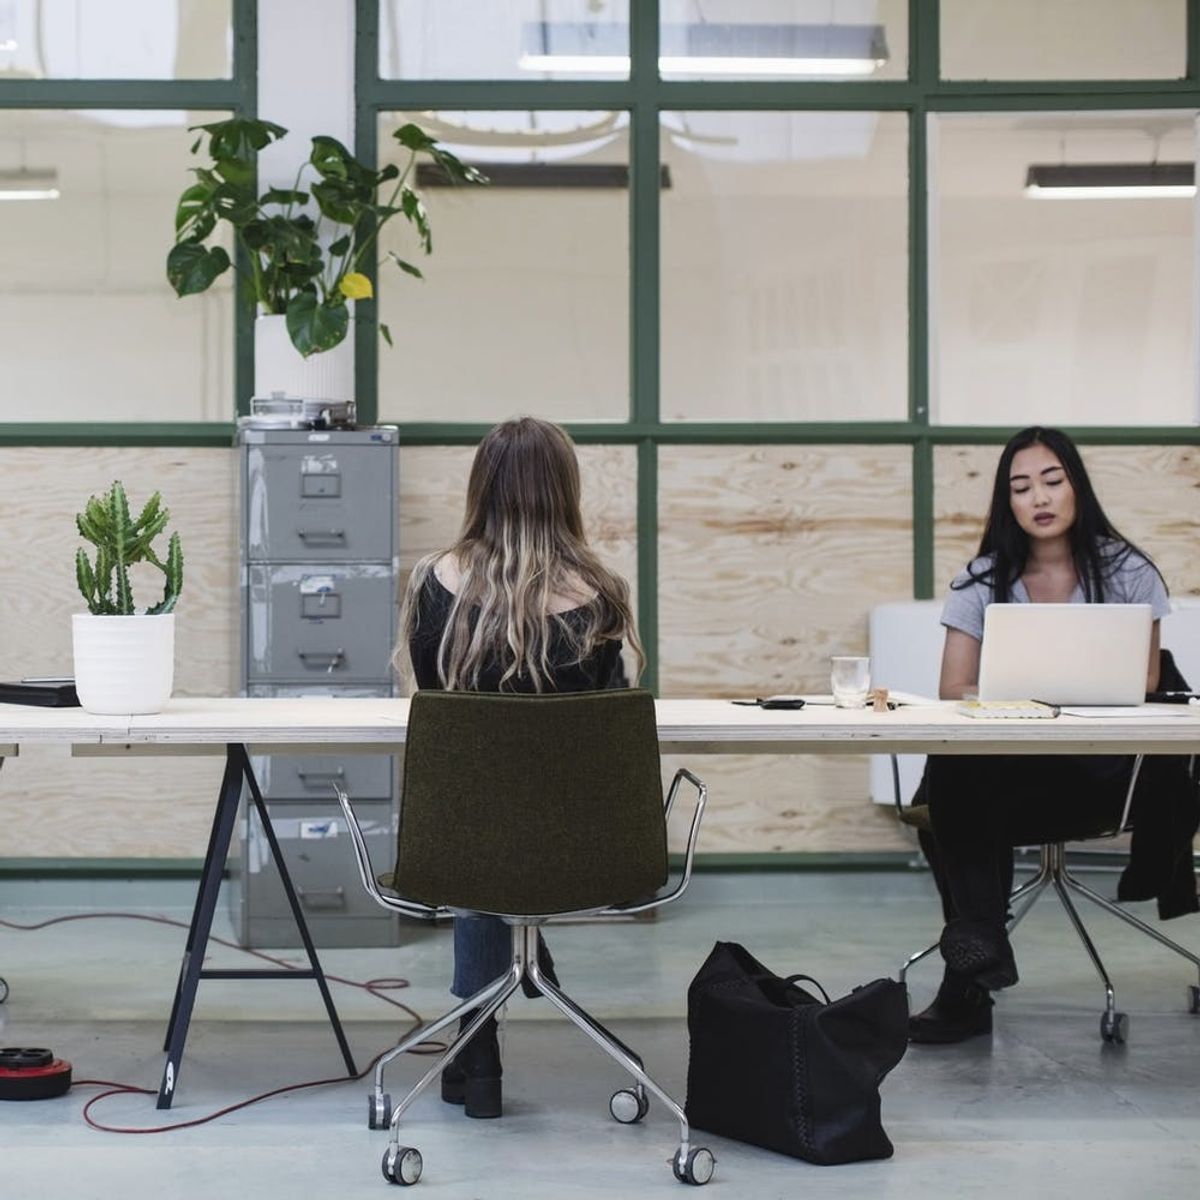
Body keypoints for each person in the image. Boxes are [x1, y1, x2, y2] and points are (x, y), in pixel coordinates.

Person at [396, 415, 642, 1117]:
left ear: (483, 489)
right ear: (565, 491)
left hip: (459, 843)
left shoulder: (431, 583)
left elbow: (440, 713)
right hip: (582, 845)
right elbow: (605, 725)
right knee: (509, 812)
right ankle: (518, 977)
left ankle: (478, 1042)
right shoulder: (601, 592)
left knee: (483, 810)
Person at [908, 426, 1170, 1045]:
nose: (1040, 498)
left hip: (1098, 777)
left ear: (1077, 486)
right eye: (1021, 487)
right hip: (1007, 772)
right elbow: (954, 686)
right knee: (955, 768)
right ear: (1008, 503)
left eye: (1053, 480)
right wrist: (1019, 702)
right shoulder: (982, 577)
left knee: (956, 799)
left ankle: (968, 977)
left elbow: (1148, 678)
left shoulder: (1128, 570)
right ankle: (980, 946)